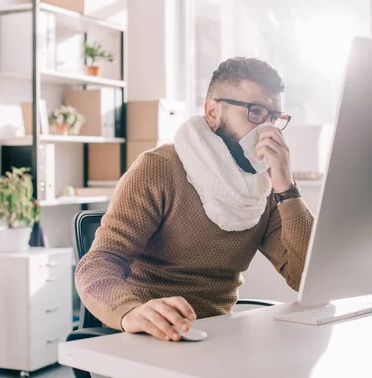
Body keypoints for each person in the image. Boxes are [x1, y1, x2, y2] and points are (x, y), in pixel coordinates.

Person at [75, 57, 315, 342]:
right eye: (256, 112)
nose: (268, 130)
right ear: (213, 112)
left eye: (275, 117)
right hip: (149, 336)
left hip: (216, 339)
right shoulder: (159, 167)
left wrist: (286, 187)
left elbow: (306, 276)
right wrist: (130, 312)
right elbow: (99, 263)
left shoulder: (264, 187)